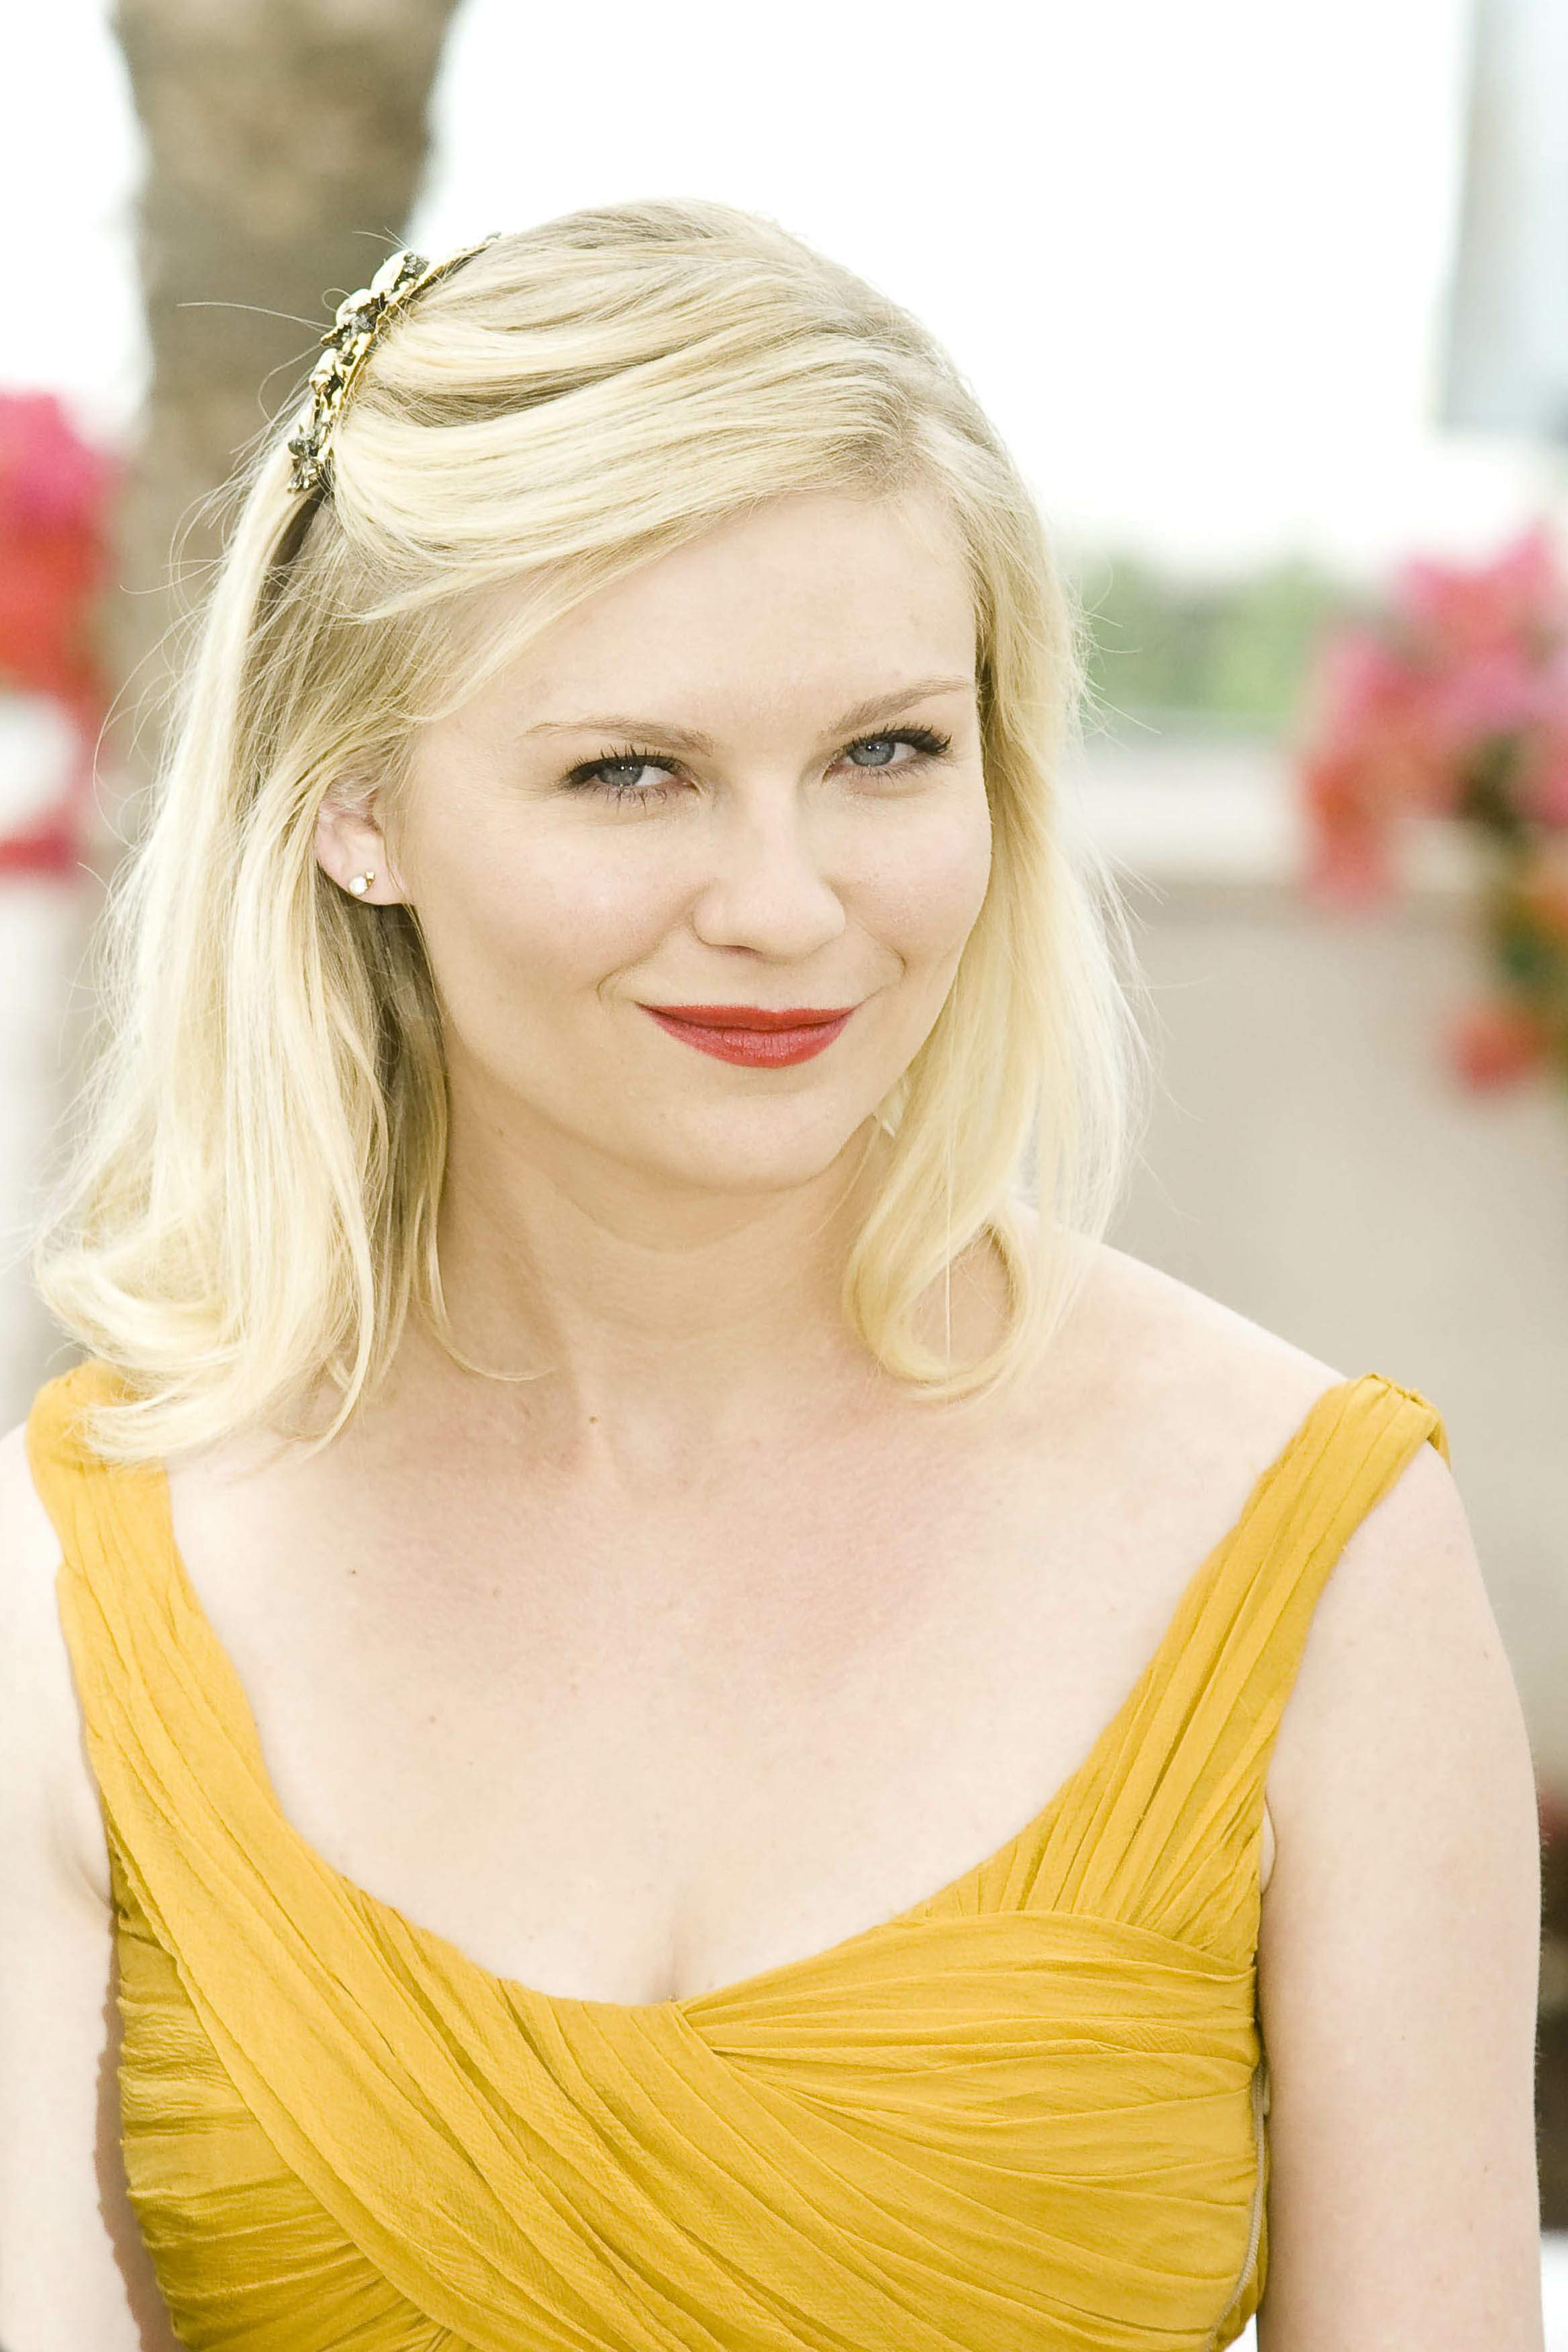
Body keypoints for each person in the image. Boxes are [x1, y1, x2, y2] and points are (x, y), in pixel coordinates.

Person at [0, 201, 1544, 2352]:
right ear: (356, 807)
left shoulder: (1321, 1550)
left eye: (885, 753)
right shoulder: (76, 1591)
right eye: (631, 772)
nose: (786, 905)